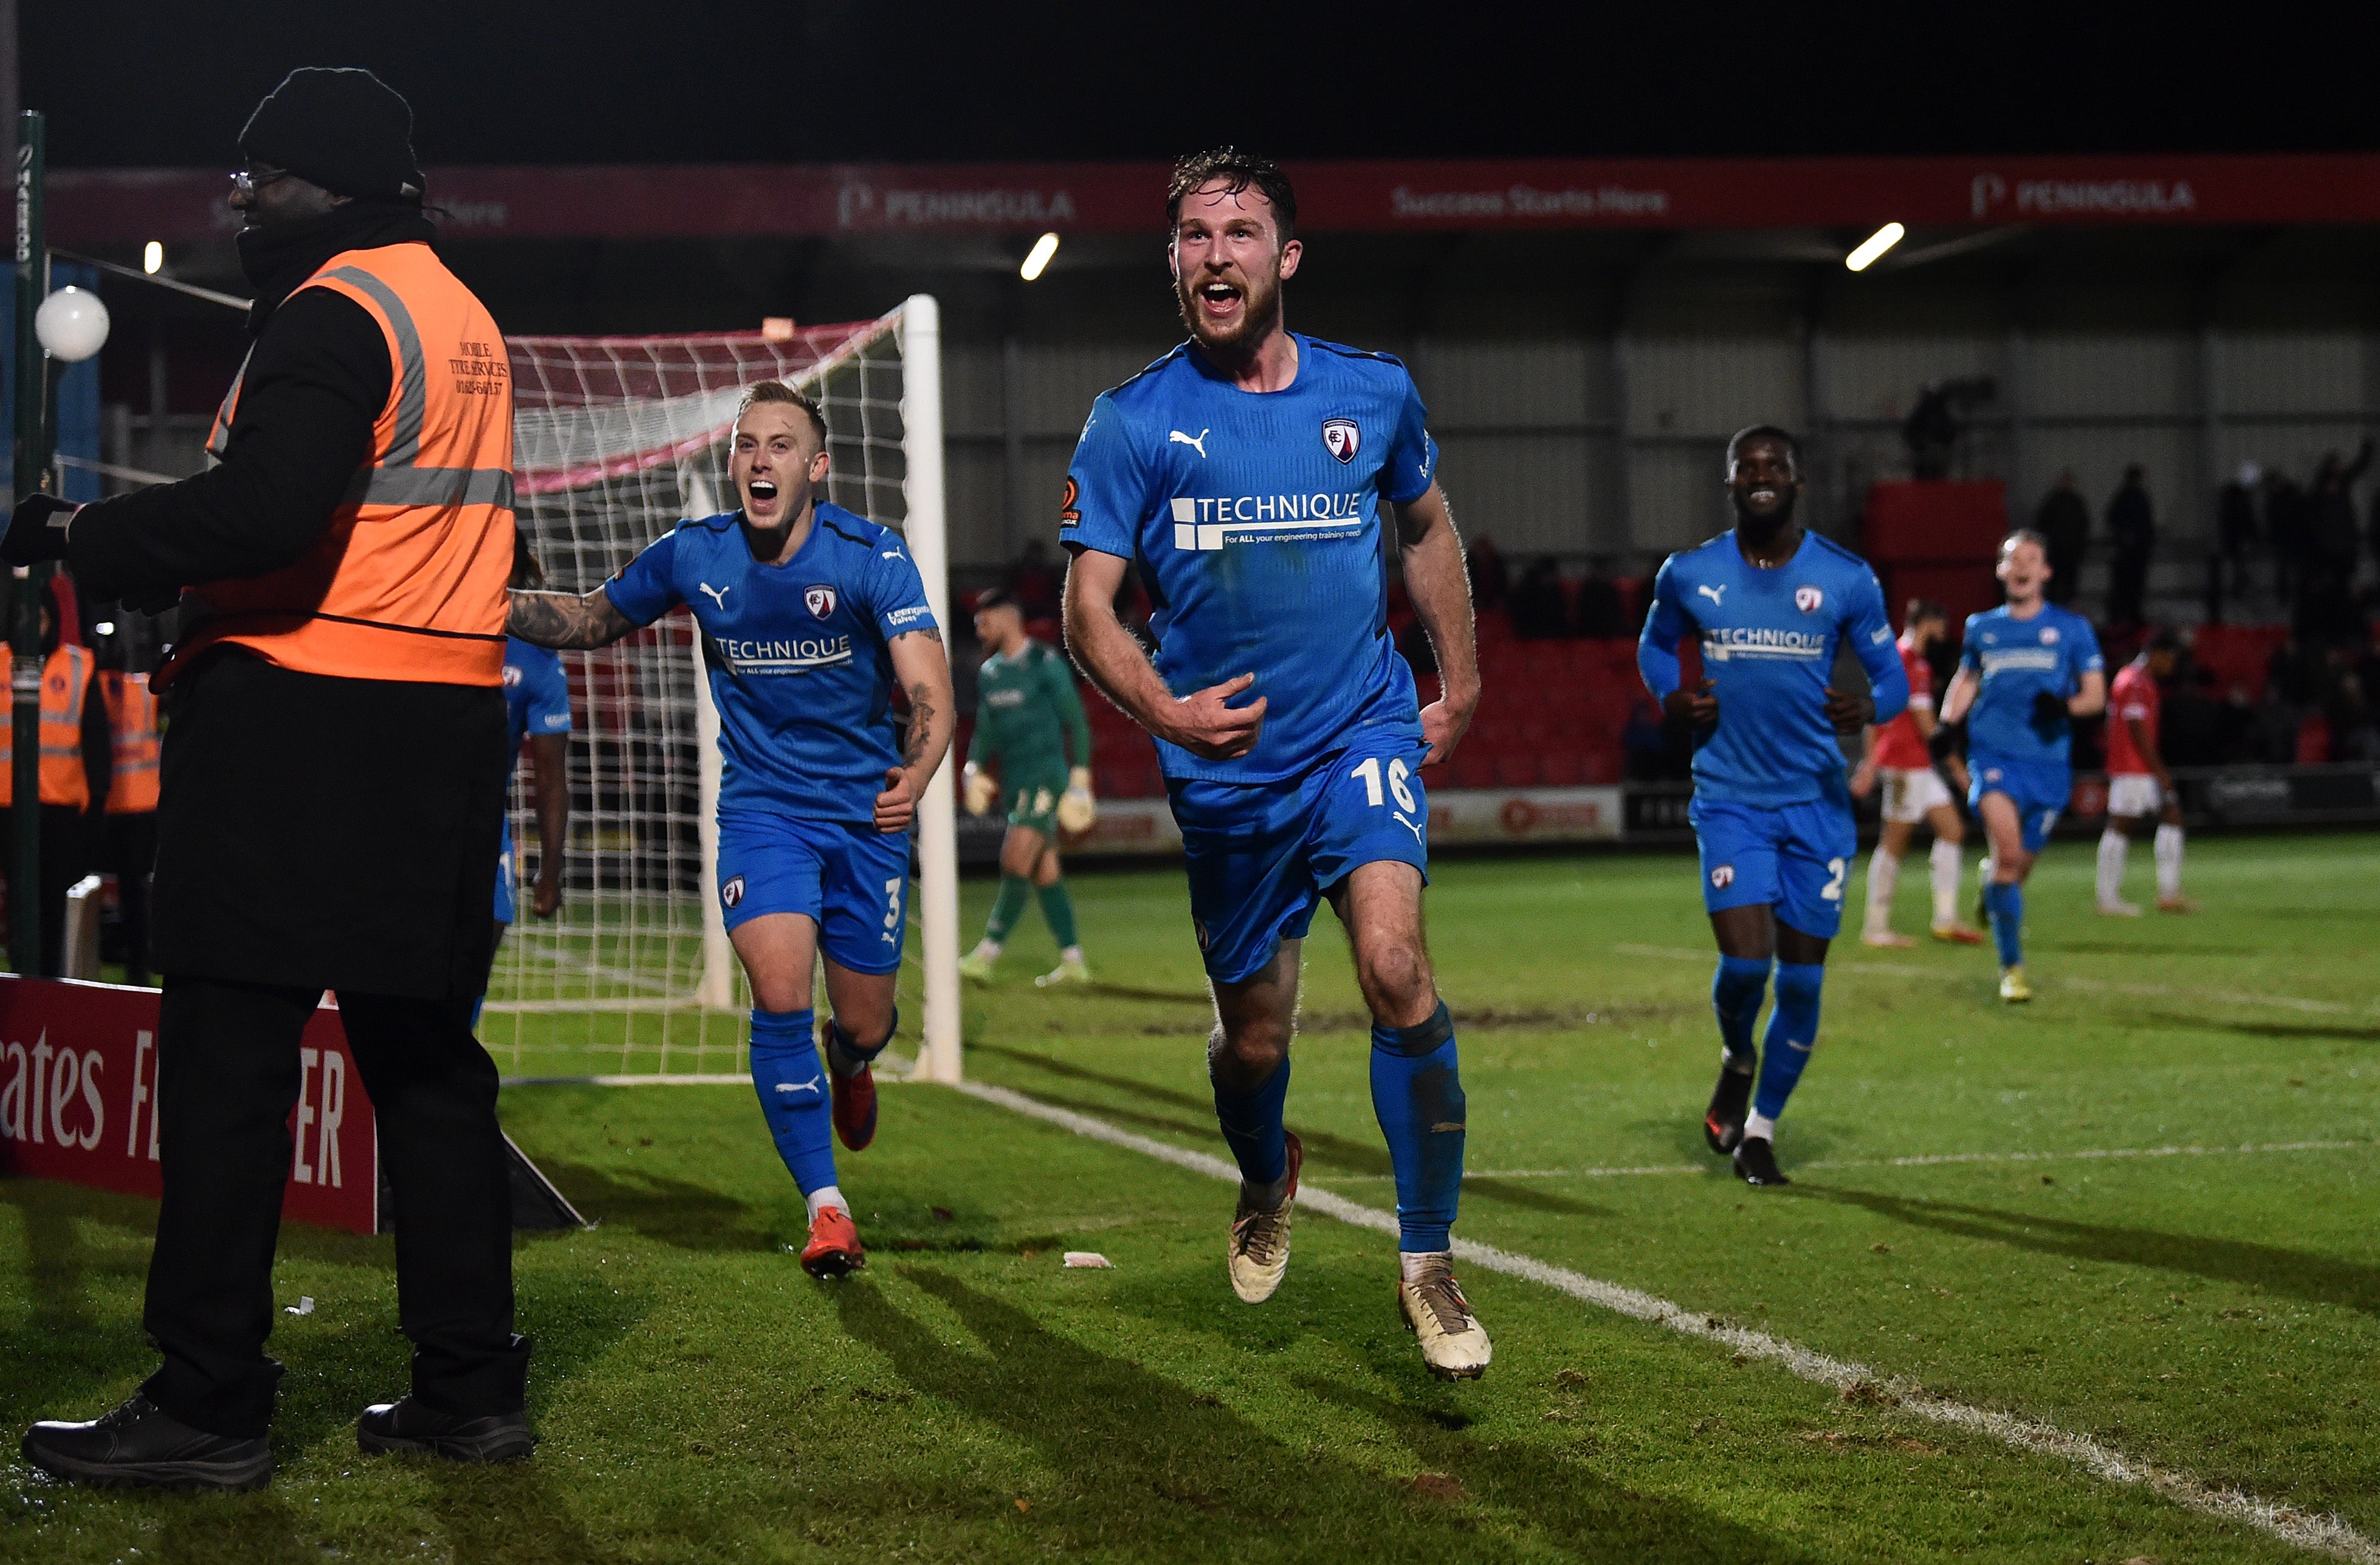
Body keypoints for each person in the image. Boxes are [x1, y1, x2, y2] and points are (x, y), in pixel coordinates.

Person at [9, 68, 530, 1488]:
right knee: (424, 1063)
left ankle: (210, 1399)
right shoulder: (458, 314)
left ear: (320, 183)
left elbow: (274, 509)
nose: (239, 204)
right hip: (441, 728)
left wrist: (79, 529)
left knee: (229, 1065)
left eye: (254, 180)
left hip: (303, 724)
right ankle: (470, 1385)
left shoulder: (334, 311)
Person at [1059, 149, 1490, 1379]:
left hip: (1356, 728)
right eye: (1192, 237)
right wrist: (1171, 716)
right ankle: (1264, 1173)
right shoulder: (1133, 420)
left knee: (1396, 966)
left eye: (1239, 232)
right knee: (1253, 1042)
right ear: (1173, 263)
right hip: (1228, 776)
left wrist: (1455, 681)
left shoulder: (1374, 392)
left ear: (1284, 258)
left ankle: (1427, 1261)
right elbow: (1087, 610)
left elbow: (1426, 529)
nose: (1214, 256)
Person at [506, 380, 953, 1281]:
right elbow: (593, 616)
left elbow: (930, 689)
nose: (759, 458)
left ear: (816, 467)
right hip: (763, 812)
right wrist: (488, 602)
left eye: (781, 444)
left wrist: (919, 767)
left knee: (862, 1017)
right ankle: (828, 1209)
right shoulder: (693, 553)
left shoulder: (872, 555)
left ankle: (853, 1056)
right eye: (747, 443)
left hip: (866, 816)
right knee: (780, 988)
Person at [1640, 425, 1908, 1188]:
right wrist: (1671, 694)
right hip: (1730, 800)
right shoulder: (1690, 574)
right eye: (1746, 467)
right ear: (1730, 483)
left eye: (1774, 466)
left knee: (1802, 982)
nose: (1761, 476)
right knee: (1747, 963)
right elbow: (1655, 646)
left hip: (1816, 807)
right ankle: (1736, 1054)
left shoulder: (1846, 578)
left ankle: (1760, 1130)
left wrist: (1869, 704)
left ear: (1796, 481)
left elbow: (1896, 678)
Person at [1938, 531, 2107, 1003]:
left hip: (2048, 763)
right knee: (2010, 855)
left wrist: (2066, 707)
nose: (2021, 567)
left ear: (2046, 571)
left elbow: (2096, 696)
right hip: (1992, 755)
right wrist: (1949, 723)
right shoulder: (1982, 627)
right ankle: (2012, 968)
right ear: (2001, 570)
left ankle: (1993, 886)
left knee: (2016, 867)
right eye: (2013, 559)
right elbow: (1967, 677)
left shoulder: (2072, 629)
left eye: (2031, 559)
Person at [957, 586, 1096, 987]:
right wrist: (973, 768)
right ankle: (1073, 961)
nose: (980, 630)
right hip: (1017, 785)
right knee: (1044, 872)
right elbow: (986, 729)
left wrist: (1081, 779)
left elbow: (1078, 721)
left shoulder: (1044, 663)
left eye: (984, 622)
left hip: (1046, 779)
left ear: (1006, 618)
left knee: (1015, 859)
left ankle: (987, 953)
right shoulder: (990, 673)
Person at [1850, 599, 1981, 948]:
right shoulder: (1912, 663)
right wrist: (1958, 769)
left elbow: (1874, 715)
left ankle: (1946, 919)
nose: (1945, 631)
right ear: (1927, 622)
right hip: (1907, 765)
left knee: (1952, 830)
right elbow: (1926, 726)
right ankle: (1876, 927)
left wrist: (1869, 763)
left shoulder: (1895, 657)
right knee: (1893, 844)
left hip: (1915, 764)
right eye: (1942, 622)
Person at [0, 583, 111, 975]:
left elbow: (97, 738)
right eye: (26, 617)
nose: (32, 625)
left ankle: (49, 979)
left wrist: (97, 799)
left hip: (62, 809)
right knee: (18, 901)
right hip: (9, 807)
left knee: (52, 901)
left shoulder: (79, 666)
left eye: (41, 618)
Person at [489, 537, 573, 993]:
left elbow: (550, 778)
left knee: (486, 932)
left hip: (483, 820)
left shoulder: (535, 657)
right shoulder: (429, 624)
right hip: (412, 812)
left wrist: (550, 870)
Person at [2096, 630, 2193, 917]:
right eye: (2170, 659)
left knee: (2172, 815)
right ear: (2157, 654)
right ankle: (2107, 899)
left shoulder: (2133, 678)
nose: (2172, 666)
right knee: (2121, 824)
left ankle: (2169, 893)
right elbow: (2136, 729)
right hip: (2133, 768)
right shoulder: (2136, 682)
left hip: (2134, 767)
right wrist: (2159, 770)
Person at [95, 633, 160, 985]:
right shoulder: (143, 688)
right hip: (146, 807)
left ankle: (124, 958)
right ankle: (140, 962)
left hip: (112, 808)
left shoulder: (98, 687)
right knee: (138, 894)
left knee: (110, 892)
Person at [2105, 465, 2155, 627]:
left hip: (2132, 550)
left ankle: (2127, 615)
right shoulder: (2135, 497)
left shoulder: (2127, 496)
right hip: (2132, 550)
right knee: (2130, 584)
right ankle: (2127, 615)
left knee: (2128, 584)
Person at [2034, 471, 2089, 607]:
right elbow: (2042, 524)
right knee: (2053, 583)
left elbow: (2084, 525)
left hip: (2072, 551)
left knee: (2070, 584)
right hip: (2055, 551)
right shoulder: (2053, 502)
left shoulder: (2077, 502)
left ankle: (2068, 609)